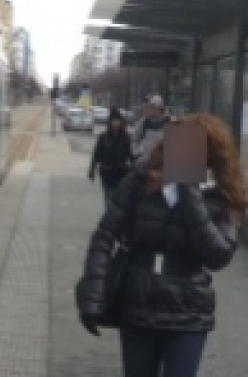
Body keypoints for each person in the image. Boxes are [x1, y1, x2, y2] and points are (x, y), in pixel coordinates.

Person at [76, 113, 245, 377]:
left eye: (196, 147)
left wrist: (189, 190)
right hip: (138, 303)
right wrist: (92, 292)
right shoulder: (142, 177)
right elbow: (104, 235)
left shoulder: (223, 192)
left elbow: (218, 256)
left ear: (211, 152)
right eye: (181, 144)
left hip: (188, 311)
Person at [88, 107, 132, 208]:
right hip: (107, 172)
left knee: (119, 196)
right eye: (114, 121)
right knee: (109, 196)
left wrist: (133, 169)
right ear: (110, 122)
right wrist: (92, 169)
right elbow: (96, 154)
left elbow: (130, 155)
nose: (116, 123)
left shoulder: (126, 137)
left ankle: (116, 217)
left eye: (118, 121)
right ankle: (110, 216)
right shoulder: (103, 137)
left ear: (121, 122)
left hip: (121, 172)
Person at [132, 94, 169, 160]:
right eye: (146, 107)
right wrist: (137, 153)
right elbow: (134, 140)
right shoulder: (143, 123)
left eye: (150, 107)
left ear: (158, 108)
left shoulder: (169, 122)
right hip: (146, 161)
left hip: (164, 162)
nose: (146, 110)